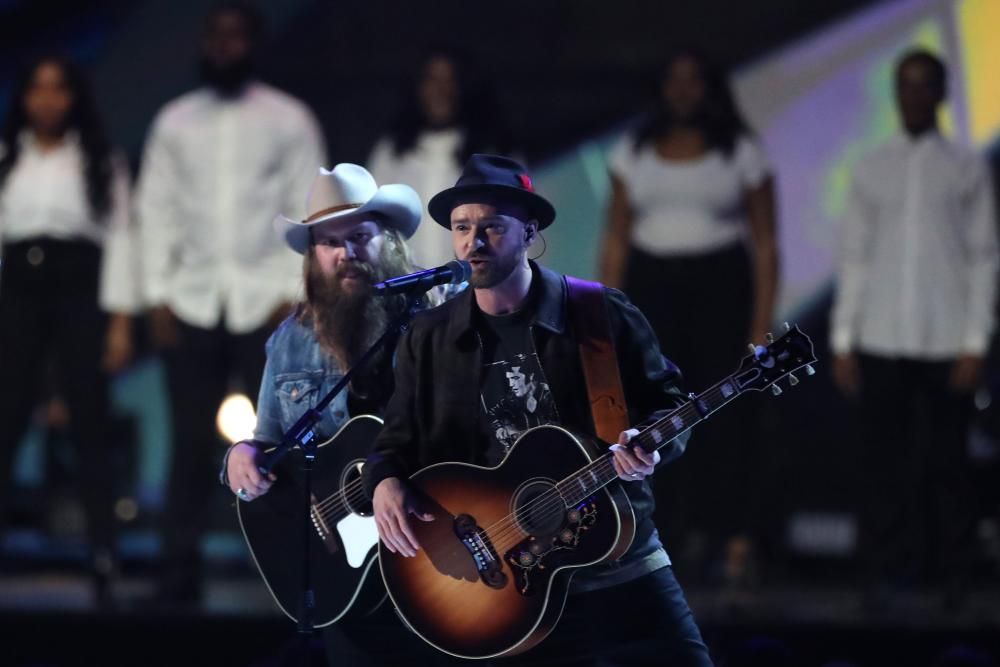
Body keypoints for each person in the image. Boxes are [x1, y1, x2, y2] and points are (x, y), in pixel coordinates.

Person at [365, 154, 714, 666]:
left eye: (492, 227)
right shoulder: (429, 335)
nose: (473, 242)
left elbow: (671, 405)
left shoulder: (599, 314)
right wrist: (384, 481)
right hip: (509, 583)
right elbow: (395, 441)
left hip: (619, 561)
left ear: (529, 232)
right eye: (462, 228)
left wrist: (650, 450)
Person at [222, 163, 454, 665]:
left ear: (388, 242)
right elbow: (266, 441)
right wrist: (241, 455)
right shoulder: (289, 342)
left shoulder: (436, 321)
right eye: (329, 242)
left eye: (359, 236)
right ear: (312, 257)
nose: (346, 253)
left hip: (435, 551)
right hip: (350, 570)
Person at [136, 2, 325, 604]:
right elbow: (155, 208)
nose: (225, 46)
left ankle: (296, 570)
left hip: (268, 300)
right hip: (192, 296)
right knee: (190, 438)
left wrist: (294, 295)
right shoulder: (174, 121)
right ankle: (177, 568)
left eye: (236, 36)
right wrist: (157, 294)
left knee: (282, 440)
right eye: (215, 36)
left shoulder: (290, 118)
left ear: (252, 43)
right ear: (204, 43)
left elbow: (310, 207)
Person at [599, 48, 779, 586]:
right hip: (651, 289)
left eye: (693, 80)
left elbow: (766, 245)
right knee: (655, 415)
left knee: (721, 418)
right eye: (672, 80)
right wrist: (604, 316)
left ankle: (731, 537)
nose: (682, 91)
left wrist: (760, 325)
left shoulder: (741, 151)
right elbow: (616, 239)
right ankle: (669, 537)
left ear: (709, 88)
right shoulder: (634, 151)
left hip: (722, 287)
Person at [830, 49, 998, 607]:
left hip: (947, 336)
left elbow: (984, 257)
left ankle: (953, 574)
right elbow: (853, 256)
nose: (915, 95)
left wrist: (976, 342)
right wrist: (842, 340)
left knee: (949, 464)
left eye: (925, 85)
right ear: (897, 94)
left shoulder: (966, 165)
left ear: (942, 94)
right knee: (881, 463)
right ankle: (877, 574)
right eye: (906, 85)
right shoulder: (873, 164)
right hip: (880, 335)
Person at [0, 54, 139, 603]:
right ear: (25, 97)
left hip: (81, 287)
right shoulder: (7, 156)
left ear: (74, 96)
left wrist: (121, 322)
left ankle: (103, 552)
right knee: (7, 419)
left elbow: (124, 238)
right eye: (38, 89)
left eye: (59, 89)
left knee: (89, 421)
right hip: (18, 289)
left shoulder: (100, 159)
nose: (48, 99)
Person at [368, 47, 511, 269]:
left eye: (450, 80)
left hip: (477, 291)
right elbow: (372, 225)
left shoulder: (494, 154)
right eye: (432, 80)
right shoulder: (392, 152)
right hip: (408, 291)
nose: (440, 90)